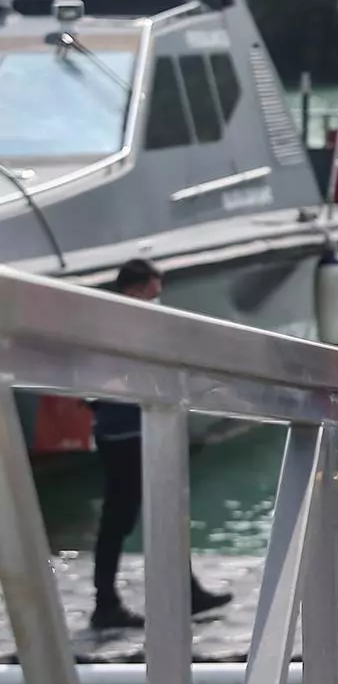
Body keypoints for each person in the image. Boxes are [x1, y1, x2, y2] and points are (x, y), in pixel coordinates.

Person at [89, 259, 233, 630]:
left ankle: (183, 591)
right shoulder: (127, 321)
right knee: (123, 518)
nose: (159, 297)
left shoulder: (105, 319)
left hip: (128, 428)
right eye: (156, 290)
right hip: (132, 431)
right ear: (139, 288)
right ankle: (107, 603)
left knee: (161, 510)